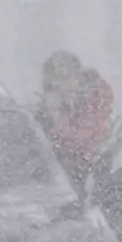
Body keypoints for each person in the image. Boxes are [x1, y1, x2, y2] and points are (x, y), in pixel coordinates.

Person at [35, 50, 114, 187]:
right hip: (61, 180)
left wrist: (57, 118)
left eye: (63, 79)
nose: (58, 88)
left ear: (77, 77)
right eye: (50, 86)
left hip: (94, 178)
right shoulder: (52, 109)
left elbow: (84, 141)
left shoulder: (97, 97)